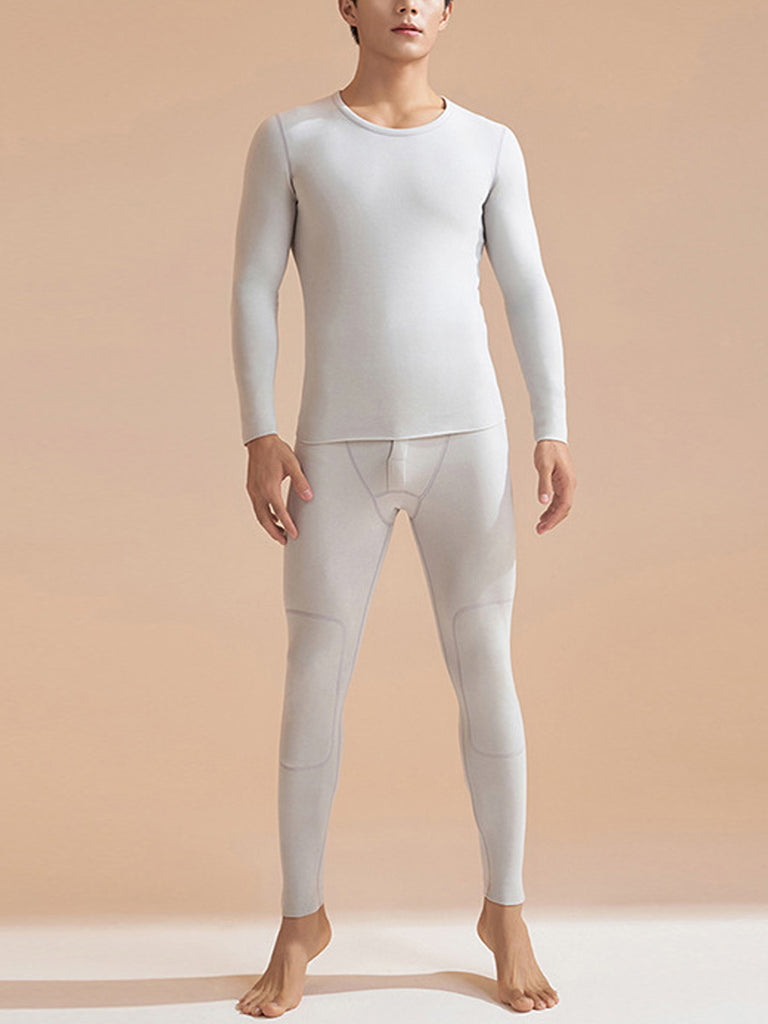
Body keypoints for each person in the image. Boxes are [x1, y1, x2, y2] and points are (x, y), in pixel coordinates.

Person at [231, 0, 576, 1016]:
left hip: (467, 444)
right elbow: (253, 285)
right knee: (313, 679)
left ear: (451, 7)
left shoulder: (488, 145)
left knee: (487, 671)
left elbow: (527, 288)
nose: (409, 3)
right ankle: (301, 919)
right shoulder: (292, 139)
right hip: (330, 452)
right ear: (347, 5)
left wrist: (552, 425)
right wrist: (258, 431)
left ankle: (505, 911)